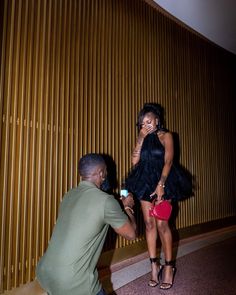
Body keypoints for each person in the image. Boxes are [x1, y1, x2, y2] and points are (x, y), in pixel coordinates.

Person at [36, 153, 136, 295]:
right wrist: (128, 208)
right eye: (106, 171)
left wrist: (119, 204)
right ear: (101, 173)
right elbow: (131, 234)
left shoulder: (69, 195)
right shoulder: (106, 201)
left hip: (45, 272)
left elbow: (90, 211)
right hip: (73, 281)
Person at [125, 103, 191, 290]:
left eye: (149, 120)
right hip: (144, 181)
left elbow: (169, 160)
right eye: (142, 123)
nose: (146, 124)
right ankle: (154, 266)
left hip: (165, 180)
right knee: (149, 224)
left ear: (157, 120)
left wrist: (161, 184)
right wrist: (140, 138)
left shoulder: (166, 136)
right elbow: (134, 161)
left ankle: (169, 267)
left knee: (162, 224)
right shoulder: (143, 138)